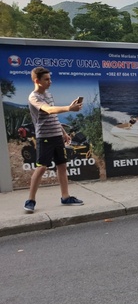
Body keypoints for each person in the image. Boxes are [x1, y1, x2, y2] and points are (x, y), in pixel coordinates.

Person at [23, 67, 84, 213]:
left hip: (57, 136)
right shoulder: (34, 97)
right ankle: (30, 200)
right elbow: (48, 110)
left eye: (50, 79)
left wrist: (63, 133)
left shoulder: (49, 94)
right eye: (47, 79)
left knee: (62, 166)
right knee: (42, 167)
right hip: (44, 137)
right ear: (37, 81)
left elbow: (53, 116)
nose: (50, 81)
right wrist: (69, 108)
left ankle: (65, 197)